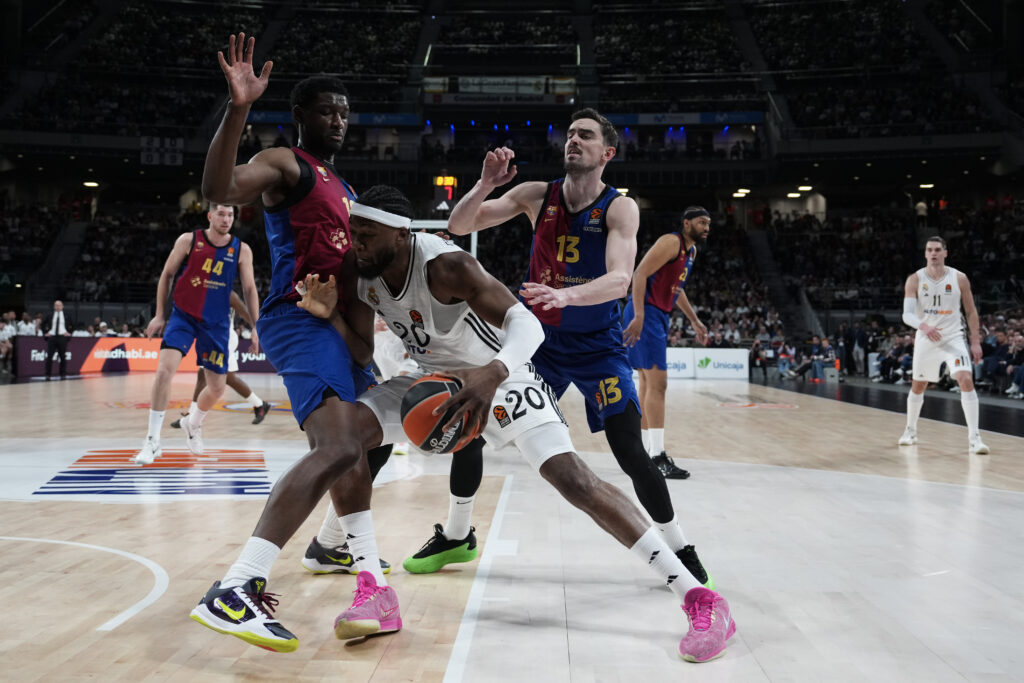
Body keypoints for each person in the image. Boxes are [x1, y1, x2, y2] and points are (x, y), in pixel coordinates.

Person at [296, 186, 735, 662]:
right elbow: (362, 351)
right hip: (435, 380)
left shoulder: (447, 265)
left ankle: (699, 597)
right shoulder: (359, 273)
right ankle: (372, 589)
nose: (355, 242)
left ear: (401, 235)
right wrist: (330, 319)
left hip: (502, 375)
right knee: (345, 432)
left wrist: (493, 373)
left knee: (573, 479)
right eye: (353, 231)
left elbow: (528, 326)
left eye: (367, 233)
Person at [444, 109, 714, 588]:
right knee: (473, 425)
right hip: (540, 345)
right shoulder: (535, 195)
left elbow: (619, 279)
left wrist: (565, 294)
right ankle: (456, 533)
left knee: (630, 449)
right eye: (570, 134)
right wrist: (484, 184)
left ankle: (679, 546)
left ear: (606, 153)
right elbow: (460, 225)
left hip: (598, 348)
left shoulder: (619, 208)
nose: (574, 141)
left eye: (585, 136)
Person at [188, 33, 391, 653]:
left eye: (345, 112)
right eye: (327, 110)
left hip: (334, 326)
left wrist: (360, 335)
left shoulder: (348, 190)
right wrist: (239, 107)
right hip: (295, 316)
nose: (339, 120)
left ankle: (367, 575)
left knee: (364, 442)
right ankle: (237, 586)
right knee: (336, 446)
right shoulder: (286, 164)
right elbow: (220, 189)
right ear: (302, 116)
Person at [134, 201, 260, 465]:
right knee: (164, 371)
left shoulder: (241, 249)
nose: (226, 219)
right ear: (210, 215)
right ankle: (152, 440)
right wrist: (159, 314)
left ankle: (193, 424)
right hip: (183, 317)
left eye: (230, 215)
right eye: (221, 214)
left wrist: (256, 326)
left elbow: (249, 290)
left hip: (216, 324)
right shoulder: (189, 240)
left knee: (216, 388)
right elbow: (167, 274)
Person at [622, 207, 711, 478]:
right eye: (701, 222)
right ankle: (658, 457)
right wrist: (638, 314)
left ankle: (645, 453)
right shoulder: (671, 242)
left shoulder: (692, 252)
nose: (706, 227)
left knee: (648, 384)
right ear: (686, 223)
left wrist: (694, 320)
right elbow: (639, 274)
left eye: (709, 223)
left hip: (657, 315)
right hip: (646, 313)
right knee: (658, 384)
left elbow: (677, 289)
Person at [898, 236, 989, 454]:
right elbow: (907, 314)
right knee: (918, 385)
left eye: (938, 249)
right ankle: (910, 430)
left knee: (966, 379)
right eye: (930, 249)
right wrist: (924, 326)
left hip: (953, 337)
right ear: (925, 253)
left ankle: (974, 438)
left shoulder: (959, 278)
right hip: (926, 339)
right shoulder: (915, 279)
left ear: (945, 253)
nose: (933, 253)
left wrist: (975, 341)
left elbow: (971, 311)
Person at [169, 291, 271, 428]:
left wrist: (255, 328)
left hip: (224, 339)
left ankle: (191, 415)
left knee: (215, 376)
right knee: (210, 376)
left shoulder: (225, 291)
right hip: (213, 337)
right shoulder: (205, 288)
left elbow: (243, 310)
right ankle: (259, 404)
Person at [43, 300, 71, 380]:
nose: (58, 307)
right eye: (56, 305)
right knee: (49, 356)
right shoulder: (50, 315)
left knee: (62, 356)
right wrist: (46, 332)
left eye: (59, 305)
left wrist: (69, 332)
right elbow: (43, 324)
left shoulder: (67, 315)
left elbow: (72, 325)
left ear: (62, 306)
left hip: (62, 337)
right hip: (52, 337)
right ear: (54, 306)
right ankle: (48, 374)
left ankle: (63, 374)